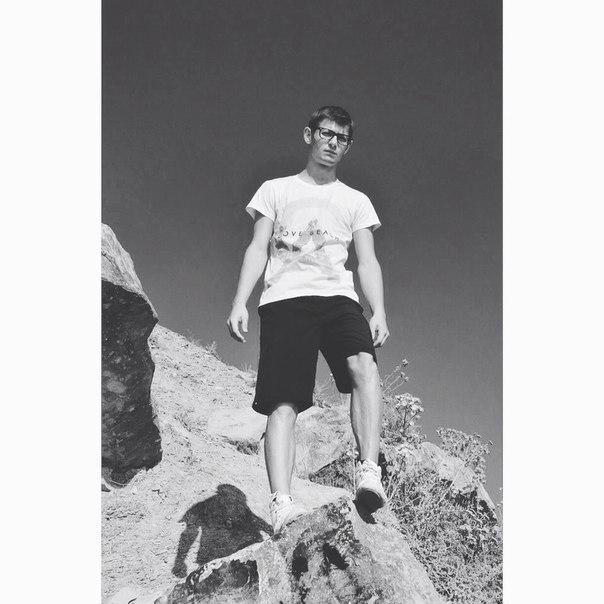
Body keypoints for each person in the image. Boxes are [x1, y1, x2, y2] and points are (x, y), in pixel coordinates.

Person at [226, 105, 390, 534]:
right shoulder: (274, 190)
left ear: (348, 146)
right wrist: (240, 301)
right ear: (309, 135)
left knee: (364, 366)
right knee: (283, 401)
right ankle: (282, 504)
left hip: (339, 298)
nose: (333, 142)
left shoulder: (356, 201)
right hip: (285, 299)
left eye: (342, 138)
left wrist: (378, 309)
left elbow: (367, 261)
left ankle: (368, 470)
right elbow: (257, 247)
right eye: (326, 133)